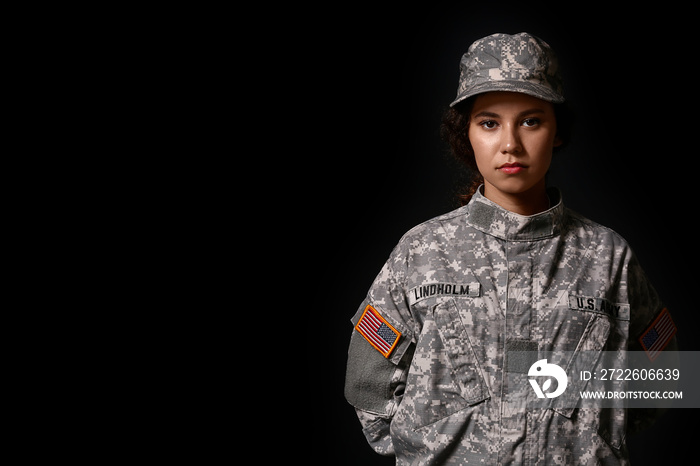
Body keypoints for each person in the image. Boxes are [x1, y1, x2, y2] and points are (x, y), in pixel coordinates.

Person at [343, 32, 678, 465]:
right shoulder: (422, 251)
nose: (510, 144)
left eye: (531, 121)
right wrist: (425, 451)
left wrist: (596, 436)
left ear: (557, 130)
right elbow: (366, 385)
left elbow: (664, 379)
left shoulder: (607, 255)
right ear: (466, 132)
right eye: (489, 122)